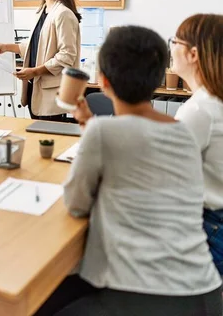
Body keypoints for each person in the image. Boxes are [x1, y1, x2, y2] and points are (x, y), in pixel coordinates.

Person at [35, 26, 222, 316]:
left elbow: (76, 203)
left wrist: (92, 131)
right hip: (203, 292)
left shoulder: (103, 131)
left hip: (143, 296)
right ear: (160, 78)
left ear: (103, 82)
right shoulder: (184, 134)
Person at [0, 0, 81, 121]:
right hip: (36, 91)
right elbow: (36, 47)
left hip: (53, 97)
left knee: (50, 142)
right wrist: (6, 47)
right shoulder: (43, 11)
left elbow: (67, 56)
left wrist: (35, 71)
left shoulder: (63, 14)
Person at [170, 14, 223, 275]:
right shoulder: (213, 102)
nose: (171, 48)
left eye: (174, 42)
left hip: (210, 229)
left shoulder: (199, 110)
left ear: (192, 54)